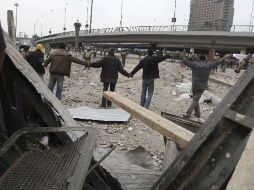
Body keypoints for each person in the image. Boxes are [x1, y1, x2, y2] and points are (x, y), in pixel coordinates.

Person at [181, 53, 232, 118]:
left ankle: (197, 114)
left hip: (194, 84)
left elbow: (185, 61)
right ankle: (188, 113)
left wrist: (181, 55)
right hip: (202, 85)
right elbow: (217, 62)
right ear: (205, 59)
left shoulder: (194, 64)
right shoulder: (208, 65)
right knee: (196, 100)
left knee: (195, 99)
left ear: (199, 59)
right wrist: (225, 57)